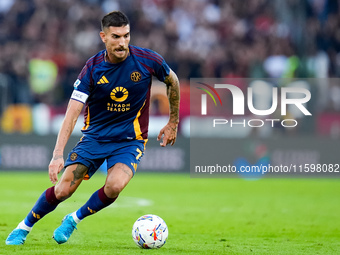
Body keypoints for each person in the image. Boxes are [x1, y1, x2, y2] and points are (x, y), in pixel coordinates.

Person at [6, 10, 180, 245]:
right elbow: (71, 113)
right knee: (63, 191)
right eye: (116, 37)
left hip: (130, 140)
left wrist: (173, 122)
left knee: (115, 186)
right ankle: (23, 227)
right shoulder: (92, 69)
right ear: (103, 37)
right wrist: (57, 154)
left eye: (126, 36)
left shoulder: (148, 60)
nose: (122, 43)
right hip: (94, 139)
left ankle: (74, 219)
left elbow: (173, 80)